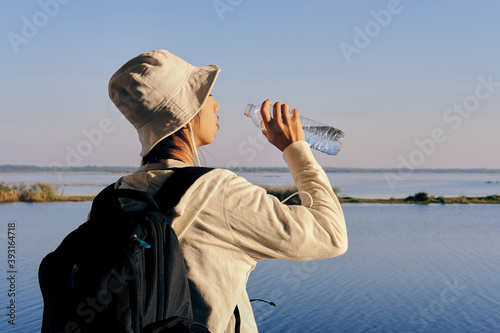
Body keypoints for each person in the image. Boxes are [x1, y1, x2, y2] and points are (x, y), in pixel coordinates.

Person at [108, 49, 348, 333]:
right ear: (186, 114)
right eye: (206, 96)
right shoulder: (217, 193)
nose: (217, 104)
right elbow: (331, 235)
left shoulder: (113, 198)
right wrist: (296, 150)